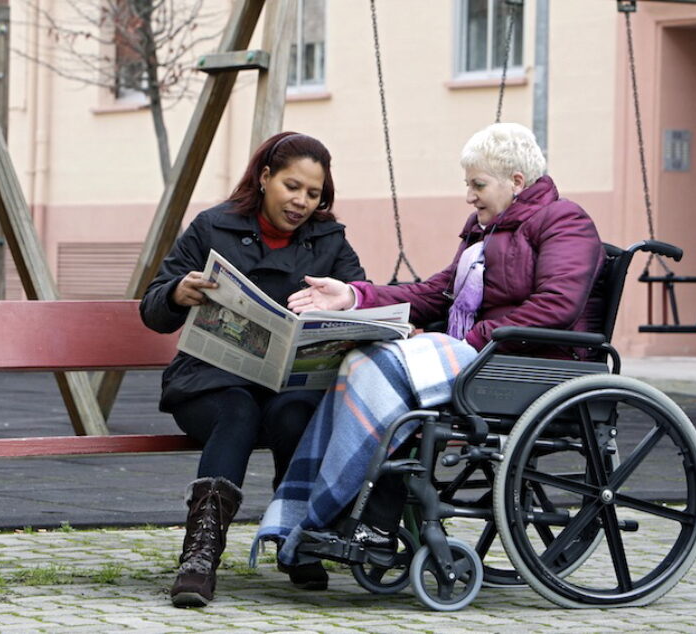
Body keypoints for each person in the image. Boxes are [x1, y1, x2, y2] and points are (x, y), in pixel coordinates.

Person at [255, 122, 606, 568]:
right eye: (469, 185)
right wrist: (354, 296)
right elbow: (437, 293)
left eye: (478, 185)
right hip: (484, 358)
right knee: (362, 361)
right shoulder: (486, 231)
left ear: (516, 182)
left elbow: (557, 305)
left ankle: (349, 518)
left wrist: (475, 339)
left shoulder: (565, 220)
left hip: (530, 364)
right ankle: (354, 521)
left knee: (381, 369)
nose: (470, 196)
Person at [140, 131, 366, 608]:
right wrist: (178, 293)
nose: (301, 202)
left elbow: (362, 299)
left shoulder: (329, 240)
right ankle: (200, 556)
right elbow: (153, 308)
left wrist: (344, 304)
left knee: (296, 413)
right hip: (210, 382)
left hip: (288, 385)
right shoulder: (212, 227)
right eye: (292, 186)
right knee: (238, 412)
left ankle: (296, 538)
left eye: (313, 193)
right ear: (265, 178)